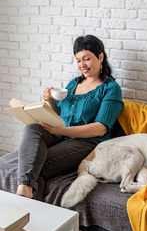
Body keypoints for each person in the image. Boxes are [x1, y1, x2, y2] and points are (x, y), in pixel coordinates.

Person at [16, 35, 124, 199]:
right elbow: (61, 114)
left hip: (87, 141)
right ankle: (25, 187)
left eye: (87, 59)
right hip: (61, 133)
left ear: (100, 57)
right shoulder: (73, 83)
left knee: (36, 164)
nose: (82, 65)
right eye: (78, 60)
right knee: (32, 128)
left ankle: (27, 201)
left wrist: (61, 130)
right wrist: (50, 100)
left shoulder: (111, 88)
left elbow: (101, 128)